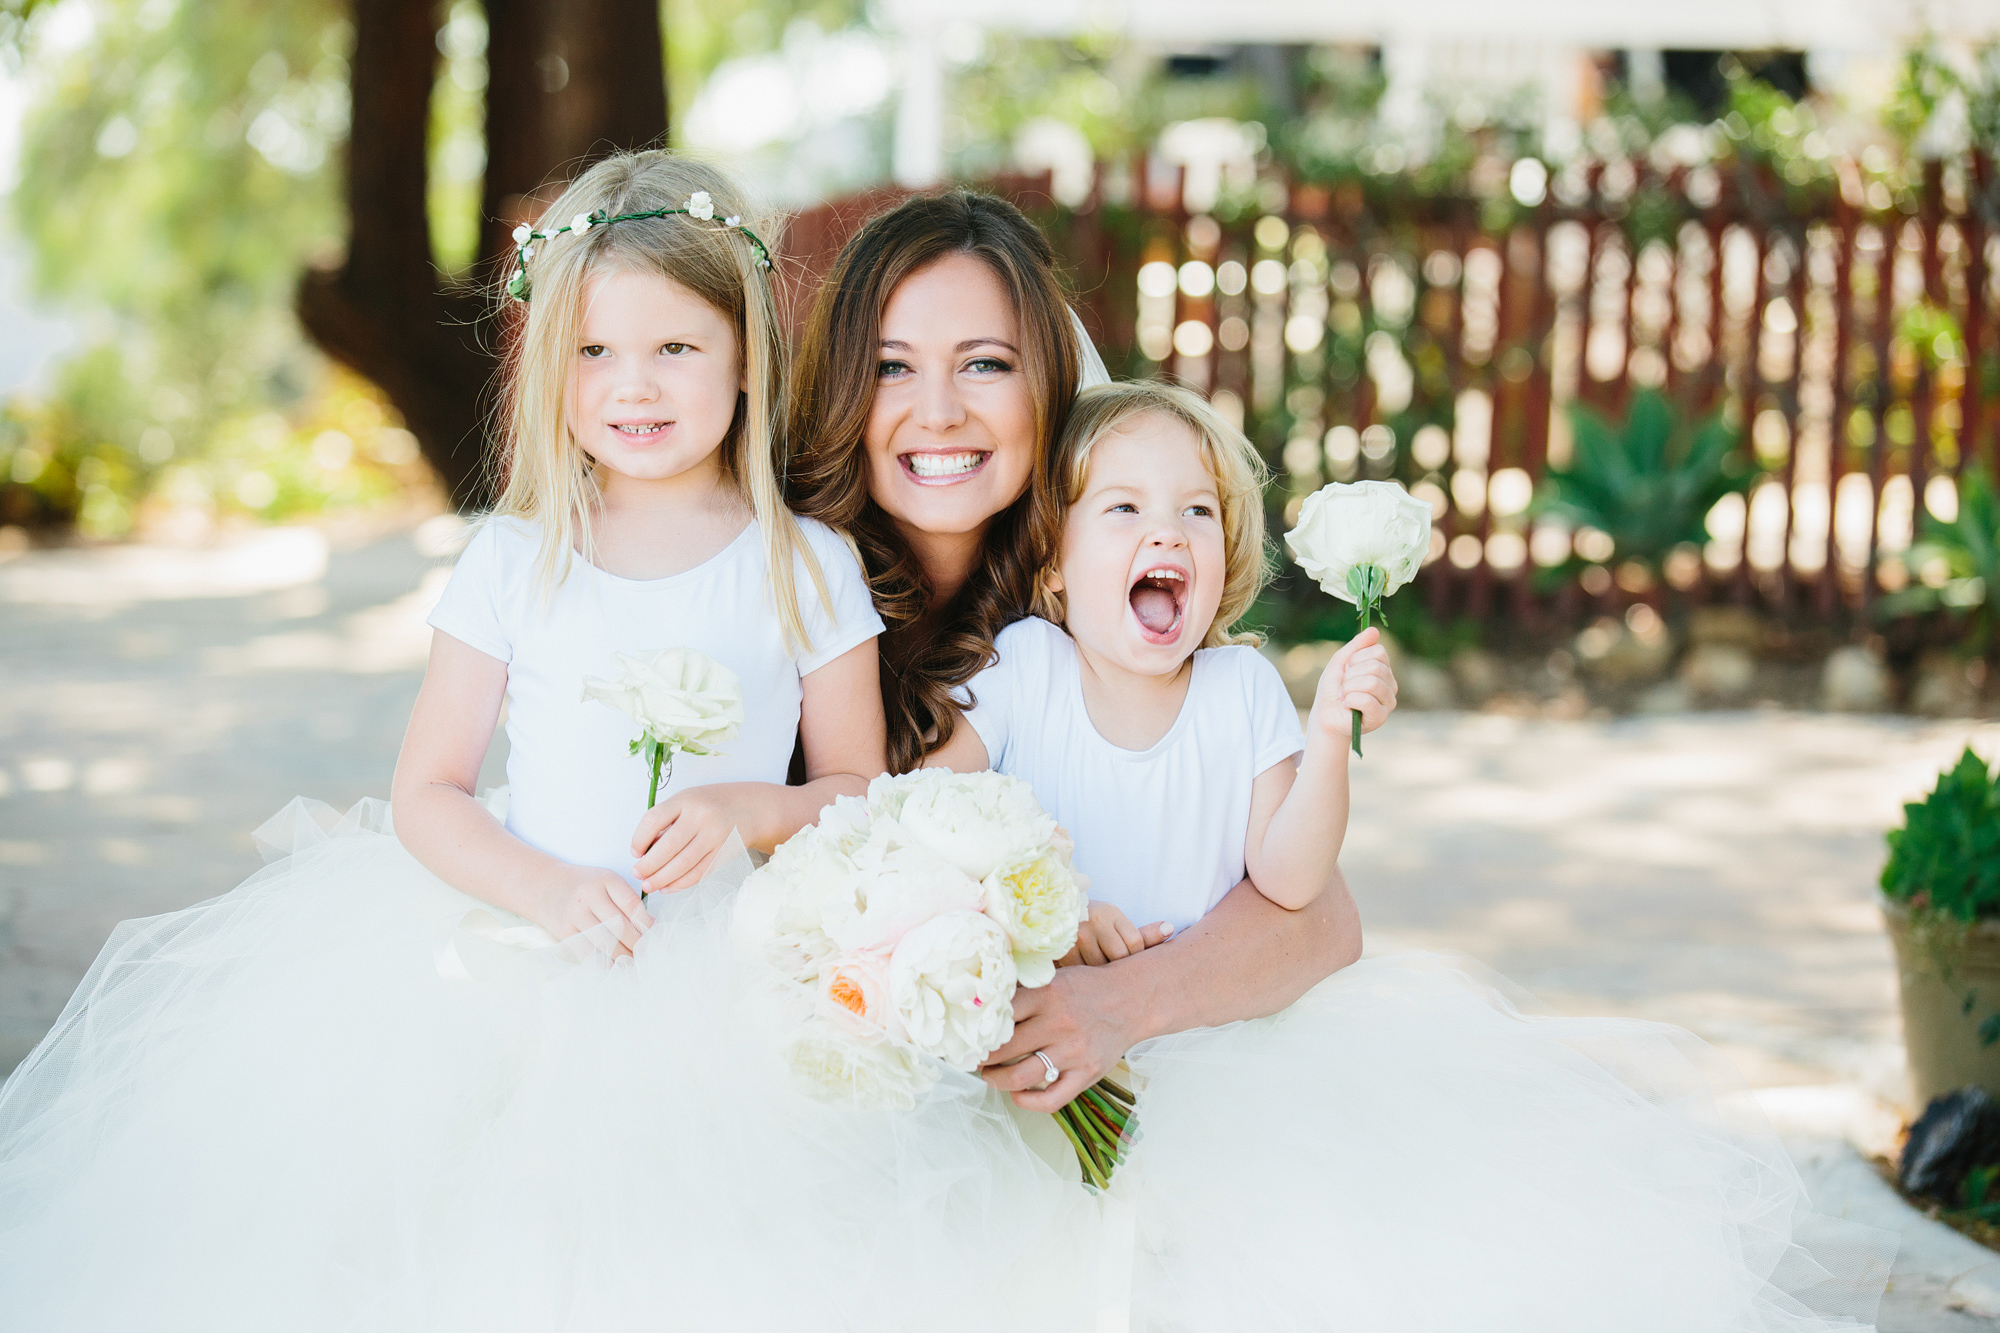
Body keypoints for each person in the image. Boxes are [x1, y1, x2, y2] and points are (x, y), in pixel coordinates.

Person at [0, 152, 1093, 1331]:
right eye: (594, 352)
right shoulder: (517, 562)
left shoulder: (801, 563)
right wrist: (544, 888)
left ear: (743, 357)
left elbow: (854, 787)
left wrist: (743, 812)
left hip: (729, 969)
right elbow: (428, 791)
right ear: (551, 369)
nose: (635, 384)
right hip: (523, 952)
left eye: (676, 347)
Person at [930, 378, 1896, 1330]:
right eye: (1125, 508)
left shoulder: (1238, 691)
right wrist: (1048, 903)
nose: (1167, 533)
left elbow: (1291, 879)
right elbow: (933, 818)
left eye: (1195, 510)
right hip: (1056, 1054)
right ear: (1053, 560)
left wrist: (1325, 747)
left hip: (1221, 1051)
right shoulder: (1026, 672)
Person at [786, 191, 1367, 1115]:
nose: (938, 412)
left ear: (1047, 386)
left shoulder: (1104, 591)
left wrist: (1114, 1002)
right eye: (892, 367)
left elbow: (1320, 920)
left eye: (984, 363)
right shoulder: (784, 587)